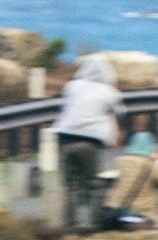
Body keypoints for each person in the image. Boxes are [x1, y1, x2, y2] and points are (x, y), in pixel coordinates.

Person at [52, 55, 124, 231]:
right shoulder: (109, 92)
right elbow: (120, 112)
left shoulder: (72, 86)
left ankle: (69, 227)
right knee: (92, 185)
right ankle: (92, 225)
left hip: (65, 140)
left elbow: (65, 106)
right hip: (90, 143)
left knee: (71, 186)